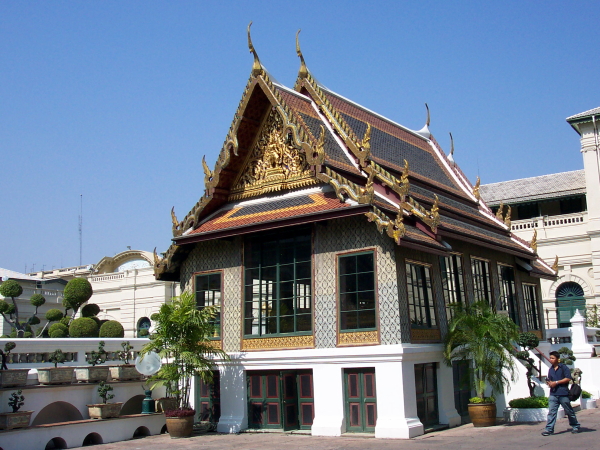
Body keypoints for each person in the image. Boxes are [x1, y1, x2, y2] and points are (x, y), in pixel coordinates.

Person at [542, 350, 580, 436]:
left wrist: (556, 383)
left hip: (563, 393)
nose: (551, 359)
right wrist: (550, 383)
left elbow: (568, 378)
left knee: (569, 411)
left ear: (557, 359)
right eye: (550, 358)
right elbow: (550, 379)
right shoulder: (550, 369)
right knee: (551, 412)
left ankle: (575, 426)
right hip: (553, 394)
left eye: (553, 358)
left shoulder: (563, 367)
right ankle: (549, 429)